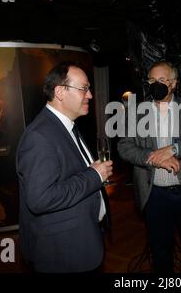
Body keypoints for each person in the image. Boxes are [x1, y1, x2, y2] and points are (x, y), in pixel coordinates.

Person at [16, 61, 113, 273]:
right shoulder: (40, 136)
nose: (89, 95)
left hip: (80, 240)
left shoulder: (65, 126)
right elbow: (41, 199)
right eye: (84, 89)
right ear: (60, 92)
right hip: (64, 252)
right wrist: (94, 175)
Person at [117, 61, 181, 273]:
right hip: (154, 194)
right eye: (151, 80)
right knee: (160, 252)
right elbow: (124, 147)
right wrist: (153, 156)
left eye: (161, 80)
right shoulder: (135, 111)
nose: (155, 84)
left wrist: (173, 149)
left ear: (174, 83)